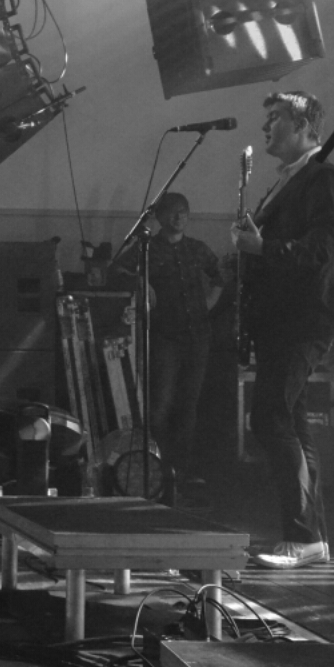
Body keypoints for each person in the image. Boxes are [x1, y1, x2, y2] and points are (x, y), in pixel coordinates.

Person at [230, 91, 334, 571]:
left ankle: (303, 537)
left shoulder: (325, 178)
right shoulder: (290, 181)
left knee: (270, 417)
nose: (266, 127)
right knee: (292, 422)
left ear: (303, 126)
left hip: (303, 318)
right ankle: (310, 539)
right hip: (283, 318)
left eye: (276, 118)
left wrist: (263, 248)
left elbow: (321, 250)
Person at [141, 193, 222, 501]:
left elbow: (221, 276)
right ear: (161, 217)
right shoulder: (148, 249)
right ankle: (159, 469)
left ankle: (181, 472)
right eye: (173, 213)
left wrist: (208, 304)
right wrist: (143, 285)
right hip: (165, 336)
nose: (179, 218)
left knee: (188, 406)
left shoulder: (197, 249)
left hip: (197, 336)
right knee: (160, 406)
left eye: (184, 212)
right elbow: (119, 271)